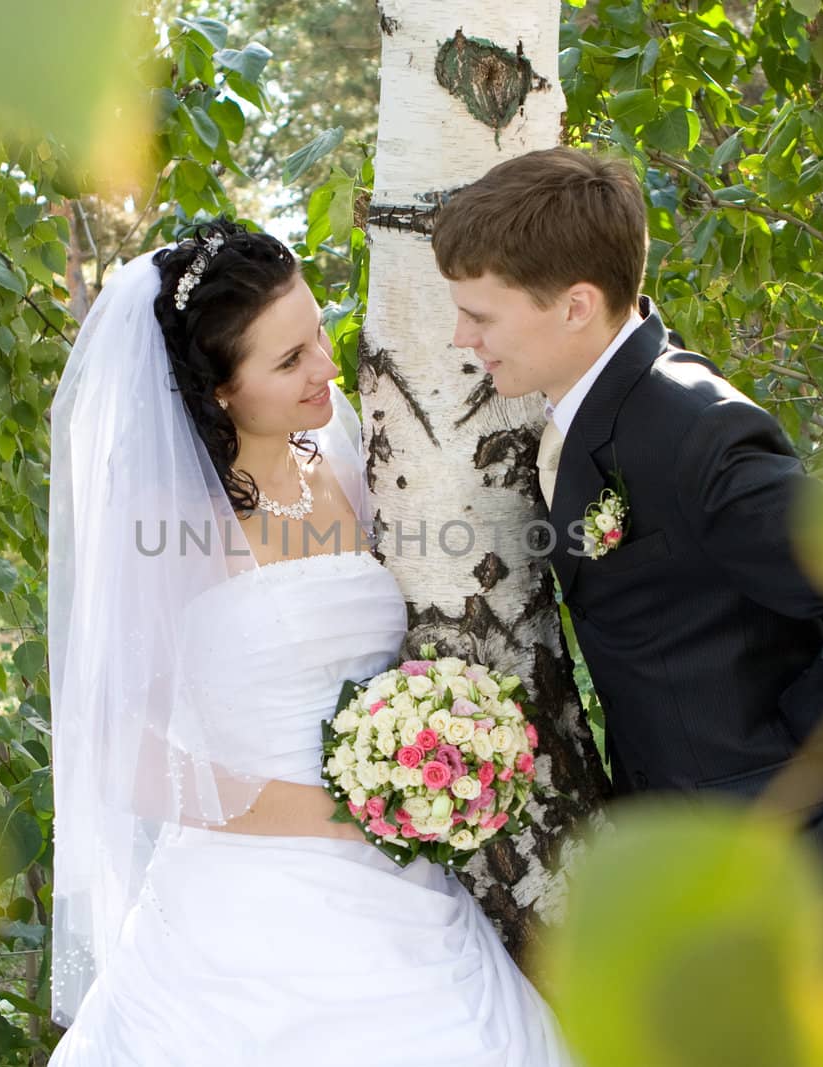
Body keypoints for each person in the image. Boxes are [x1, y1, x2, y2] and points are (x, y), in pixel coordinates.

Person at [432, 147, 823, 1045]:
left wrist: (821, 735)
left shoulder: (693, 428)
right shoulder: (604, 402)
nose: (460, 339)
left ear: (575, 305)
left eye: (480, 314)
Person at [45, 220, 573, 1066]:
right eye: (289, 361)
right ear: (219, 390)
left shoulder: (345, 446)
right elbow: (120, 750)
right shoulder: (164, 516)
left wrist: (430, 751)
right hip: (250, 904)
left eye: (317, 331)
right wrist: (339, 812)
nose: (327, 365)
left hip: (403, 872)